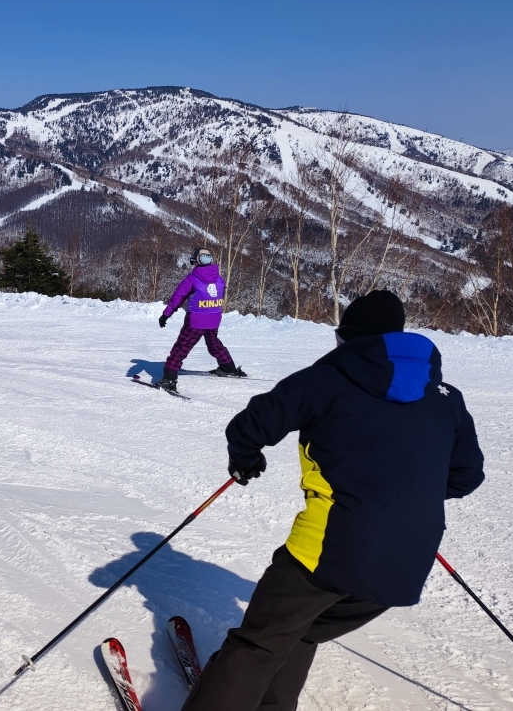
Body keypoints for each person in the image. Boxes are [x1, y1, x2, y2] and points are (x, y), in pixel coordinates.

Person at [181, 289, 485, 711]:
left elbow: (249, 426)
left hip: (329, 551)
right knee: (303, 631)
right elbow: (467, 475)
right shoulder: (445, 396)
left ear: (346, 338)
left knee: (258, 645)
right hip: (406, 564)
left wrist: (245, 462)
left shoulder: (327, 380)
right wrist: (403, 495)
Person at [155, 248, 243, 392]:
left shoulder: (192, 278)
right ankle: (228, 367)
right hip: (214, 318)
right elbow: (219, 296)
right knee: (214, 344)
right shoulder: (220, 279)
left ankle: (169, 379)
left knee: (181, 348)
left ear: (195, 261)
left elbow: (178, 297)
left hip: (195, 320)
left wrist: (166, 314)